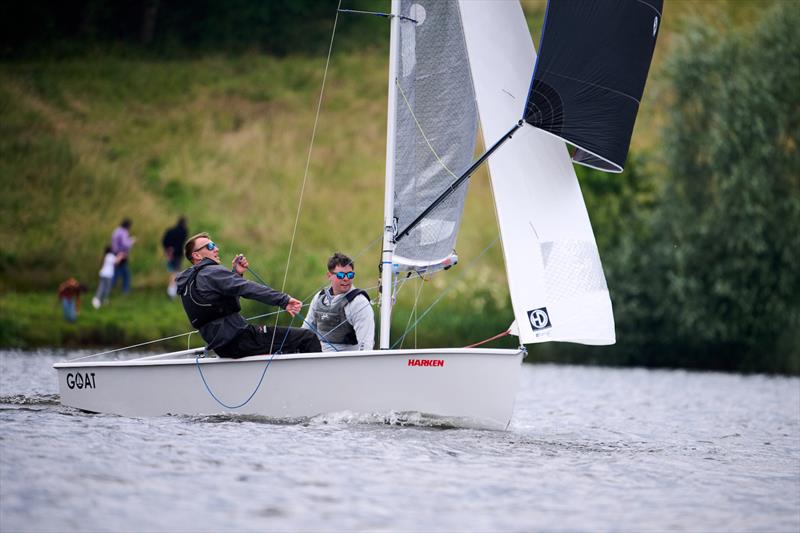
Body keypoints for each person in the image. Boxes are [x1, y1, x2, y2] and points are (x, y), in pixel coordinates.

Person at [176, 232, 321, 358]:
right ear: (196, 255)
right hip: (240, 339)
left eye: (214, 245)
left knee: (288, 343)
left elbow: (224, 305)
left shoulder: (189, 281)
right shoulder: (210, 272)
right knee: (307, 337)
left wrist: (237, 273)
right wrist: (284, 300)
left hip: (223, 347)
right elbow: (247, 288)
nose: (216, 248)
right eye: (210, 246)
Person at [303, 252, 375, 352]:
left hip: (345, 363)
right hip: (318, 359)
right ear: (329, 276)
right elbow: (306, 331)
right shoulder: (319, 297)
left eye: (350, 275)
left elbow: (366, 345)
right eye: (341, 275)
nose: (346, 279)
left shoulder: (359, 303)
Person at [161, 216, 188, 299]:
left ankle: (173, 290)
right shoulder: (183, 231)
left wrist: (168, 250)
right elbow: (182, 243)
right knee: (175, 273)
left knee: (173, 272)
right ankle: (171, 292)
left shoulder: (170, 231)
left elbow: (164, 241)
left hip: (169, 254)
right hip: (177, 255)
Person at [110, 218, 135, 293]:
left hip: (115, 253)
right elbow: (125, 244)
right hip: (121, 254)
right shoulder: (124, 232)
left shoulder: (116, 230)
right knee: (120, 274)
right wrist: (131, 241)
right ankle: (124, 290)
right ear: (128, 225)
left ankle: (125, 290)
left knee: (123, 273)